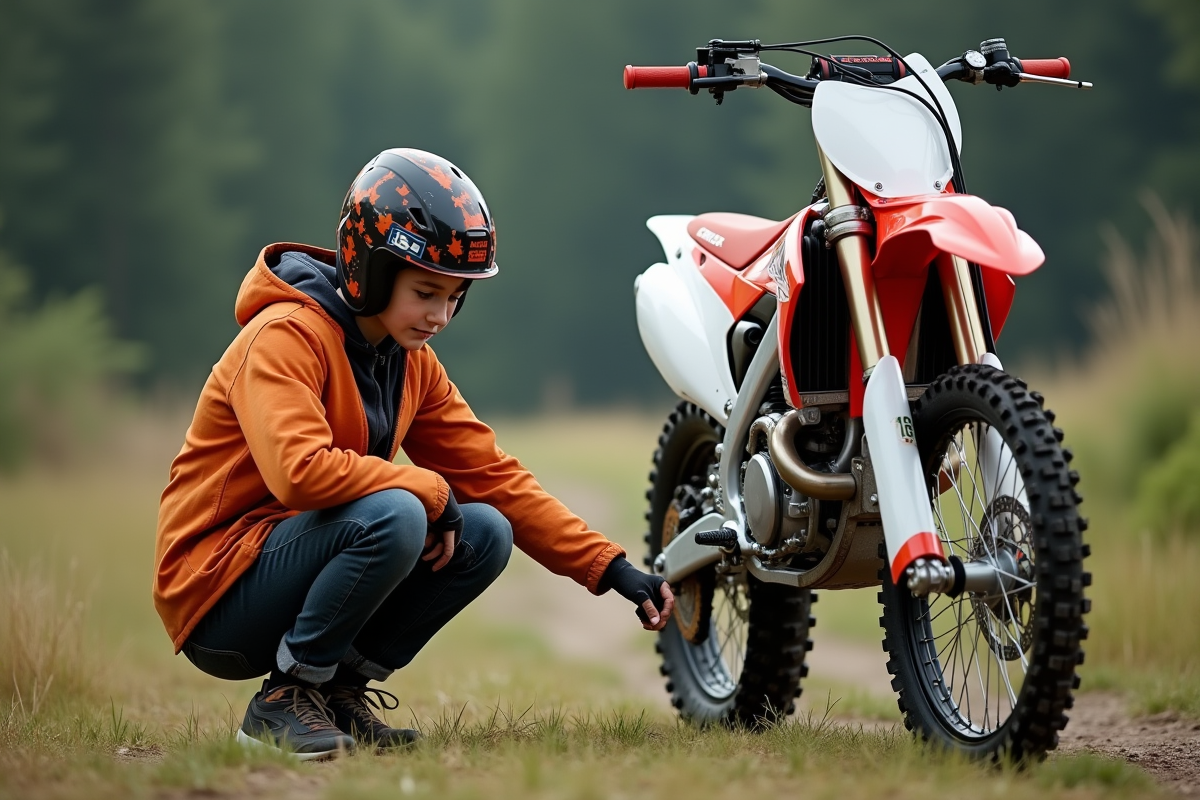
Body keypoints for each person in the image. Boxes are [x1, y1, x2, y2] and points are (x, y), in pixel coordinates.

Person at [153, 148, 674, 760]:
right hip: (217, 593)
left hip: (292, 560)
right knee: (398, 512)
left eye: (455, 297)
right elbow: (299, 473)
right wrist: (425, 488)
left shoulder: (411, 362)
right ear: (367, 270)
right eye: (426, 292)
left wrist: (610, 568)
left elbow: (492, 476)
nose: (440, 315)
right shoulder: (282, 337)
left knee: (486, 531)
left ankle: (334, 693)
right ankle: (283, 700)